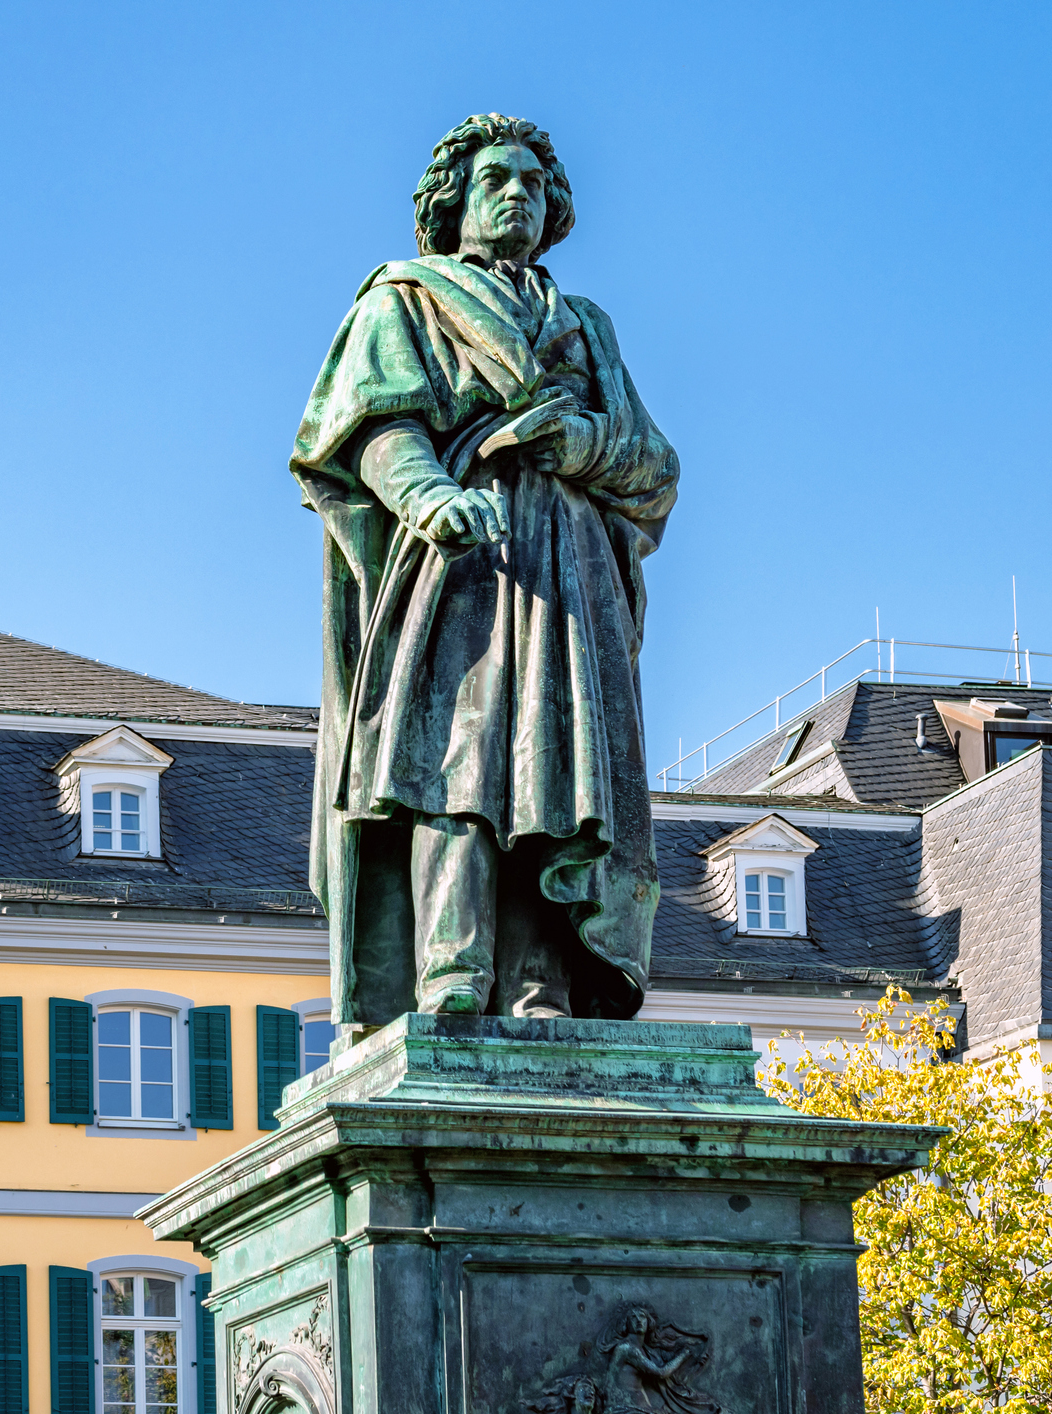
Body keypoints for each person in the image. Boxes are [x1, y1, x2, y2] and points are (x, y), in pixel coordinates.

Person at [291, 113, 678, 1027]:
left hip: (569, 570)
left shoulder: (585, 326)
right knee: (450, 765)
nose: (516, 195)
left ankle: (541, 987)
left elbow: (651, 465)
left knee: (554, 777)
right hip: (459, 563)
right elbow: (370, 428)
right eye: (496, 179)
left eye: (533, 185)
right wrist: (427, 495)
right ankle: (449, 974)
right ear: (453, 200)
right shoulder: (406, 299)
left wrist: (584, 442)